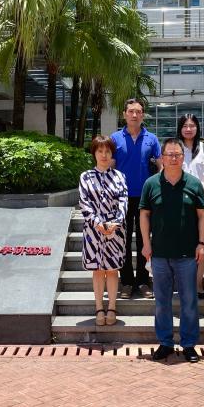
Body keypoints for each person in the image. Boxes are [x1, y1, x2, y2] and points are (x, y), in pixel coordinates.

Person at [140, 138, 204, 363]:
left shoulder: (194, 183)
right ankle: (165, 343)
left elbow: (202, 215)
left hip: (187, 254)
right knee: (162, 302)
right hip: (159, 254)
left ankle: (188, 344)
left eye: (177, 154)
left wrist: (201, 243)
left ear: (182, 157)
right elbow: (144, 215)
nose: (173, 158)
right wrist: (146, 243)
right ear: (162, 157)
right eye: (169, 154)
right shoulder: (151, 183)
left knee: (189, 302)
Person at [111, 98, 161, 300]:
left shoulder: (152, 138)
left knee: (144, 241)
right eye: (131, 111)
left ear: (143, 115)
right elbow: (110, 167)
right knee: (122, 241)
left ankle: (143, 281)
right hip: (120, 198)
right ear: (124, 114)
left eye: (138, 111)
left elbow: (160, 166)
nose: (134, 115)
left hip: (145, 198)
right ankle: (126, 282)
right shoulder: (115, 138)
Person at [78, 135, 129, 326]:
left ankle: (112, 307)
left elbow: (124, 202)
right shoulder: (85, 177)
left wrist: (115, 223)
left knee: (113, 270)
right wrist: (98, 223)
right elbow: (84, 203)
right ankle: (99, 308)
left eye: (107, 151)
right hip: (93, 231)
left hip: (115, 231)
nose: (104, 155)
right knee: (98, 270)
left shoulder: (119, 176)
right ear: (94, 153)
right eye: (100, 151)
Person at [177, 113, 204, 299]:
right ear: (180, 128)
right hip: (180, 201)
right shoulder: (176, 147)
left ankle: (198, 284)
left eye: (192, 125)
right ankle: (184, 284)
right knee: (183, 243)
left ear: (197, 127)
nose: (189, 128)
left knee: (202, 245)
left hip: (202, 199)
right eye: (185, 125)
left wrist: (199, 188)